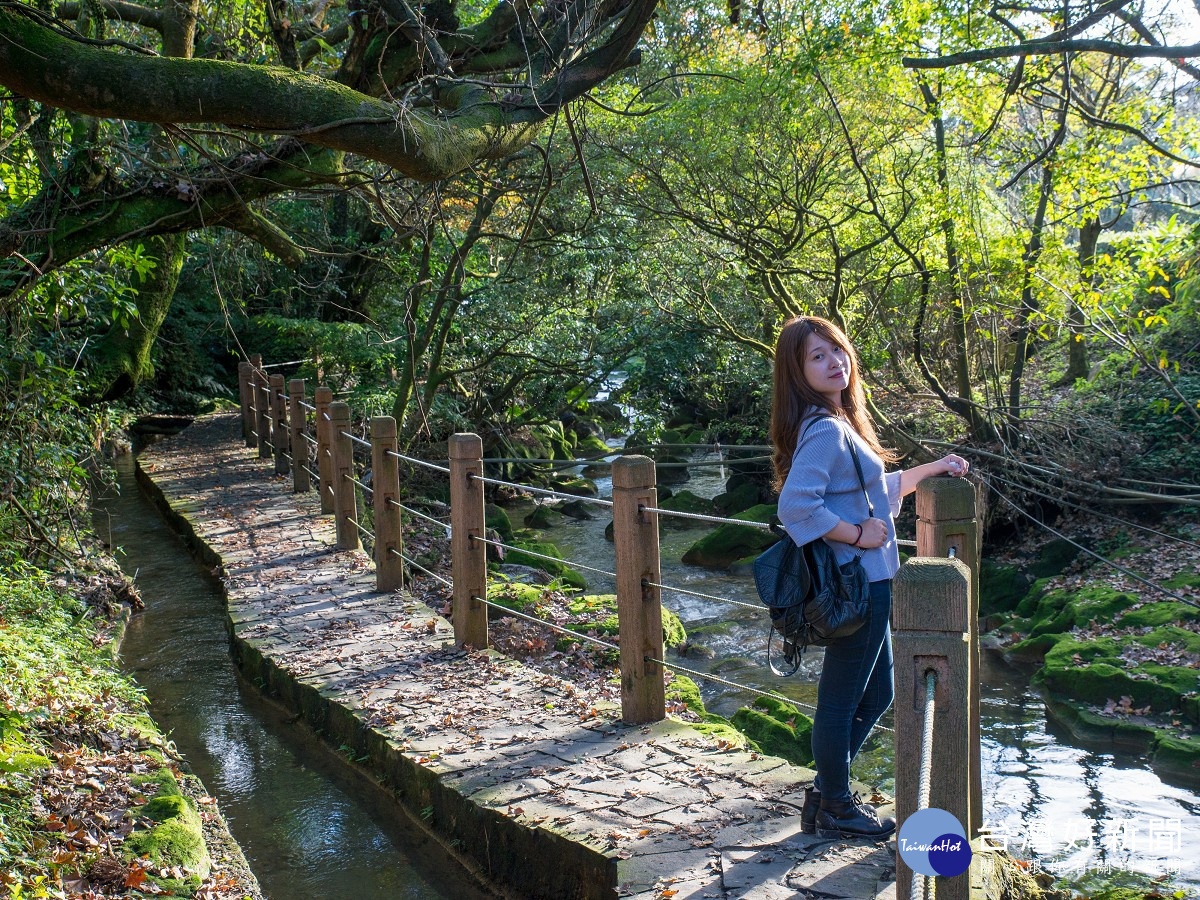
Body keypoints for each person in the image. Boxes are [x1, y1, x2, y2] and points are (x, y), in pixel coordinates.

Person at [771, 315, 969, 840]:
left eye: (836, 349)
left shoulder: (837, 424)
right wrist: (859, 536)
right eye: (817, 356)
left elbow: (871, 488)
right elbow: (795, 507)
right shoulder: (825, 430)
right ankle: (834, 801)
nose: (834, 361)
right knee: (840, 700)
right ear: (797, 371)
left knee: (878, 691)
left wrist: (931, 469)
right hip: (854, 584)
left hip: (869, 582)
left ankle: (827, 790)